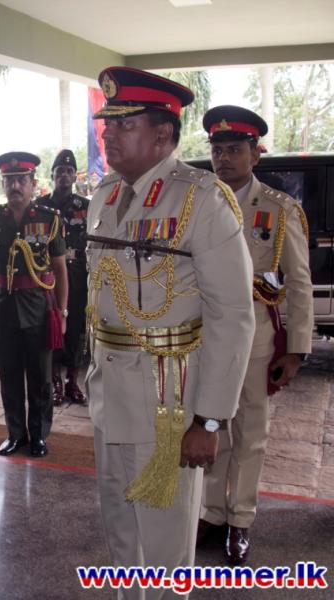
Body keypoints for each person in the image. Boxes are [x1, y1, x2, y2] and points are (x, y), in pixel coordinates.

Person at [85, 67, 255, 599]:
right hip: (109, 396)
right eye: (107, 124)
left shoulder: (201, 199)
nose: (109, 134)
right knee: (121, 536)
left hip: (168, 404)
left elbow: (233, 315)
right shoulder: (104, 196)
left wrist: (209, 419)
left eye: (124, 124)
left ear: (163, 134)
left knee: (164, 547)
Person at [197, 105, 313, 565]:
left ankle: (240, 519)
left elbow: (298, 282)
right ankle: (212, 512)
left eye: (234, 149)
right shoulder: (200, 203)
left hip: (256, 340)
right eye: (217, 150)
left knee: (250, 432)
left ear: (255, 155)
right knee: (211, 424)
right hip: (206, 338)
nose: (223, 158)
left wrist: (297, 350)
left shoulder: (279, 210)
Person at [0, 151, 68, 457]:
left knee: (40, 377)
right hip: (1, 308)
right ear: (3, 184)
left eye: (21, 180)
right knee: (9, 375)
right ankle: (15, 434)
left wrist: (62, 312)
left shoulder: (49, 218)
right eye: (9, 180)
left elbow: (60, 270)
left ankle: (39, 435)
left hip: (38, 309)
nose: (15, 186)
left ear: (33, 184)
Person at [39, 149, 90, 406]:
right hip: (48, 275)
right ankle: (55, 382)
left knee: (77, 328)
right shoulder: (40, 207)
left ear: (75, 176)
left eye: (69, 171)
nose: (65, 175)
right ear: (52, 175)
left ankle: (72, 381)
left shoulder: (86, 206)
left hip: (78, 274)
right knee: (51, 325)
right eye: (60, 171)